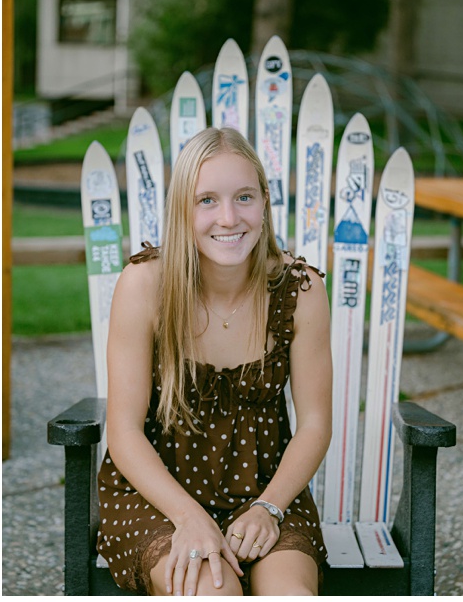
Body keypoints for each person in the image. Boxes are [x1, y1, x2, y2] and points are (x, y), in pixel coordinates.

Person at [97, 127, 333, 595]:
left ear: (264, 201)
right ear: (184, 209)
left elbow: (315, 424)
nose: (228, 218)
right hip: (158, 496)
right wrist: (189, 517)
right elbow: (122, 431)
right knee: (214, 592)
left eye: (243, 197)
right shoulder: (146, 286)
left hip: (267, 492)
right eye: (207, 200)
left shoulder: (300, 291)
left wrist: (270, 508)